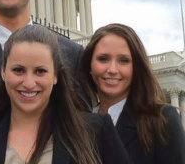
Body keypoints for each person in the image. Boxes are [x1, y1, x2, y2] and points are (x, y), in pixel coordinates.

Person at [0, 25, 130, 164]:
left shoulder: (95, 131)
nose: (28, 83)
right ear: (3, 72)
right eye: (18, 70)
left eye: (40, 71)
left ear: (55, 75)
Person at [78, 23, 185, 164]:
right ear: (89, 65)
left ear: (136, 68)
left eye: (124, 61)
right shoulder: (78, 125)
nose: (112, 69)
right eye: (103, 59)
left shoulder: (163, 121)